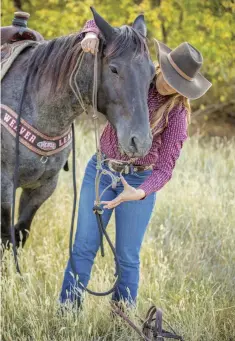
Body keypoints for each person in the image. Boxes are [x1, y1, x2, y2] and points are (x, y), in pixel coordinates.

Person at [60, 19, 212, 308]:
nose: (168, 84)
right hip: (102, 171)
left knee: (127, 256)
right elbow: (110, 28)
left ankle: (122, 316)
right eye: (168, 74)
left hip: (139, 183)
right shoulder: (137, 76)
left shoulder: (177, 113)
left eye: (178, 83)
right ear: (160, 64)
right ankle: (68, 310)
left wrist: (140, 192)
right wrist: (91, 32)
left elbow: (166, 168)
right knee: (82, 247)